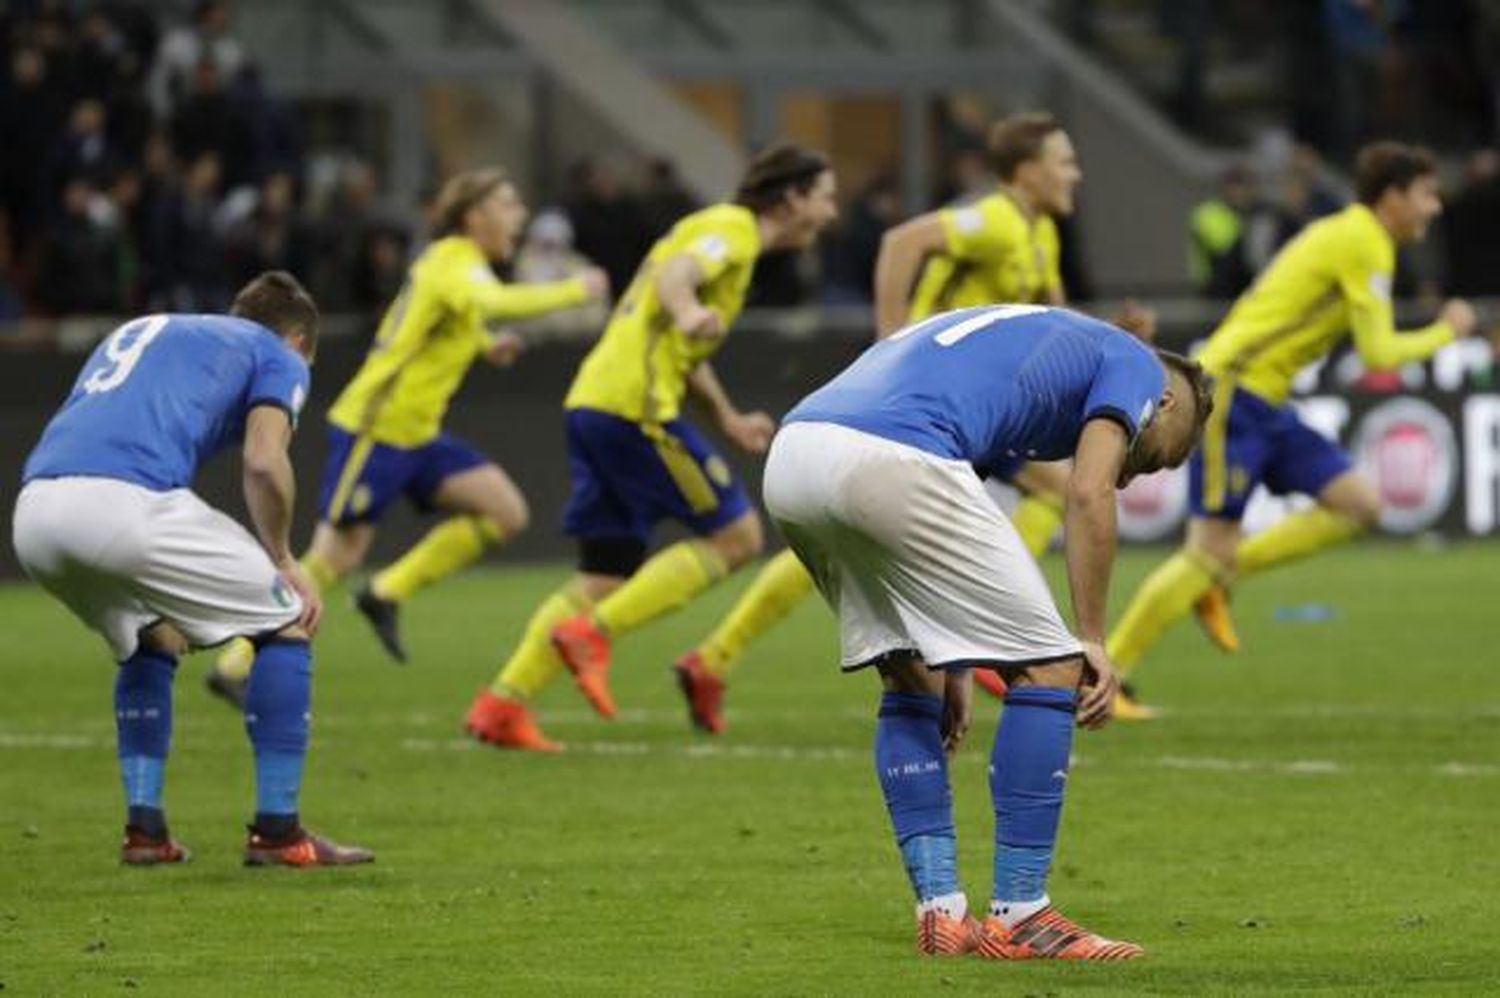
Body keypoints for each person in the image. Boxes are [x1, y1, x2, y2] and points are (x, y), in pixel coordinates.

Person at [670, 112, 1153, 734]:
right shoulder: (993, 219)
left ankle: (718, 655)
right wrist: (890, 339)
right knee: (1068, 493)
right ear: (1028, 171)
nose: (1075, 173)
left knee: (876, 532)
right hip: (930, 405)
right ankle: (999, 636)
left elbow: (1051, 325)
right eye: (1065, 160)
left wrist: (1111, 338)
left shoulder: (1040, 235)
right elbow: (903, 241)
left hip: (980, 412)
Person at [762, 303, 1211, 958]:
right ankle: (1023, 914)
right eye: (1169, 453)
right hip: (892, 457)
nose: (1149, 469)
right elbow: (1088, 492)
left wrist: (960, 660)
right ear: (1169, 401)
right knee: (1053, 666)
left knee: (912, 672)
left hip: (796, 459)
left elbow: (956, 483)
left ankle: (942, 912)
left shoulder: (1024, 337)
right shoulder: (1137, 364)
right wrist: (1091, 638)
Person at [464, 143, 839, 751]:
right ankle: (595, 635)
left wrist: (727, 418)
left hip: (595, 402)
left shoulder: (721, 233)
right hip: (635, 409)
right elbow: (676, 277)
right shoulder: (735, 229)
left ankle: (502, 702)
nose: (829, 211)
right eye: (824, 196)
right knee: (737, 536)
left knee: (603, 573)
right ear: (791, 197)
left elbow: (683, 348)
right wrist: (690, 309)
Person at [1106, 141, 1479, 717]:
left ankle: (1221, 577)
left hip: (1266, 398)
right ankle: (1106, 675)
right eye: (1427, 194)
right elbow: (1379, 352)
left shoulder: (1353, 234)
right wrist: (1447, 330)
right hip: (1230, 392)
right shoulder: (1365, 241)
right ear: (1394, 196)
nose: (1435, 207)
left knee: (1360, 505)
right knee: (1206, 549)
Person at [12, 271, 372, 867]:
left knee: (153, 637)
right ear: (298, 342)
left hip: (36, 512)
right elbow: (263, 461)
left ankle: (146, 831)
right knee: (287, 619)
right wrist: (282, 557)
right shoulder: (277, 354)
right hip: (122, 502)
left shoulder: (145, 330)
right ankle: (279, 833)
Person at [206, 168, 607, 701]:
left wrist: (486, 346)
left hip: (418, 434)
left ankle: (386, 591)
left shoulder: (457, 268)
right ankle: (235, 665)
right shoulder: (453, 260)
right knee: (331, 558)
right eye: (506, 204)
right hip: (377, 429)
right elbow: (488, 302)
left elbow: (454, 316)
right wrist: (575, 289)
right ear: (473, 216)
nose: (518, 215)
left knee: (505, 512)